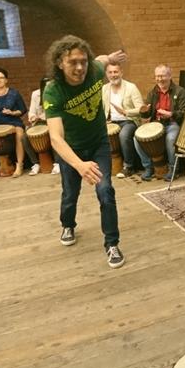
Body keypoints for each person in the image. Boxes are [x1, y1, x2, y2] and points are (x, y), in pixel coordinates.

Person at [43, 35, 127, 268]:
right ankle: (67, 225)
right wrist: (79, 165)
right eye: (73, 62)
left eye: (83, 61)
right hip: (71, 149)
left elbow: (102, 59)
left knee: (105, 190)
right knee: (70, 193)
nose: (80, 67)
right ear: (60, 63)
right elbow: (55, 138)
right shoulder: (53, 91)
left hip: (98, 143)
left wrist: (111, 57)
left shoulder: (94, 70)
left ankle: (112, 243)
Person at [134, 64, 185, 182]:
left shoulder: (180, 91)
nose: (159, 79)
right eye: (157, 76)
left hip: (172, 123)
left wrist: (171, 114)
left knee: (170, 139)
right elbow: (147, 115)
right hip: (156, 124)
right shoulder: (153, 93)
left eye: (162, 76)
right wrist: (144, 111)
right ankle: (148, 168)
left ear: (170, 76)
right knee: (136, 138)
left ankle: (173, 169)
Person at [102, 62, 143, 178]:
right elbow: (101, 108)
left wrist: (125, 112)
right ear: (106, 74)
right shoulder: (105, 88)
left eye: (115, 72)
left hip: (128, 121)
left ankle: (129, 166)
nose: (113, 75)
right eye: (110, 72)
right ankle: (105, 165)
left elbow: (141, 108)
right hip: (111, 121)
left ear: (121, 72)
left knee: (124, 135)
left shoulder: (131, 87)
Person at [27, 77, 60, 175]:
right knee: (24, 138)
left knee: (54, 134)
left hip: (53, 122)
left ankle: (57, 163)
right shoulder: (35, 94)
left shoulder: (57, 94)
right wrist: (33, 117)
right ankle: (35, 163)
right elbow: (31, 112)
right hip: (39, 123)